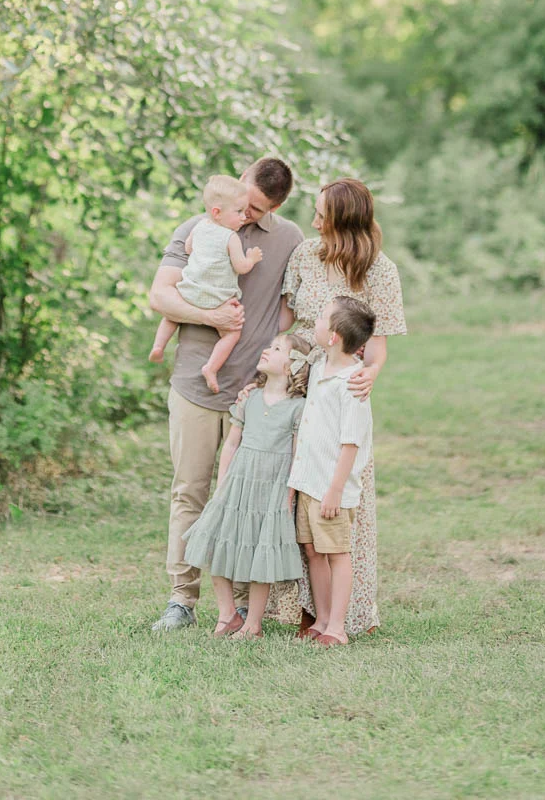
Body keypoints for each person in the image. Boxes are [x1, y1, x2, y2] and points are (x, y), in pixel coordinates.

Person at [148, 156, 303, 633]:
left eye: (261, 210)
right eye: (247, 203)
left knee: (245, 497)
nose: (250, 214)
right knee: (190, 491)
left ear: (275, 206)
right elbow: (161, 296)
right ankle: (181, 599)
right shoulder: (199, 225)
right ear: (239, 183)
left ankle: (237, 603)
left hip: (256, 395)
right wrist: (214, 319)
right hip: (196, 384)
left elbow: (289, 306)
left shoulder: (289, 239)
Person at [275, 177, 406, 636]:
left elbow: (378, 345)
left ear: (344, 221)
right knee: (299, 498)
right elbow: (286, 320)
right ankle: (303, 608)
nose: (313, 222)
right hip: (297, 379)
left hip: (341, 386)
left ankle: (343, 617)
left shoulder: (380, 270)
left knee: (337, 495)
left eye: (321, 214)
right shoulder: (307, 255)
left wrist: (371, 373)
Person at [182, 330, 314, 639]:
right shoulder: (250, 397)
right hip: (238, 482)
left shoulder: (297, 407)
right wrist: (222, 483)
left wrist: (290, 491)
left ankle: (253, 624)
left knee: (261, 554)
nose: (267, 349)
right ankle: (227, 613)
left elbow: (297, 453)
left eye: (277, 347)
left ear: (291, 366)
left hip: (272, 489)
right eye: (270, 344)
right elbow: (231, 445)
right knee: (216, 540)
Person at [288, 296, 376, 647]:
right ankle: (322, 618)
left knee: (337, 554)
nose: (317, 321)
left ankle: (337, 628)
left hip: (330, 487)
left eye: (322, 317)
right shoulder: (320, 366)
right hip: (308, 481)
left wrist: (336, 490)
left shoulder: (352, 383)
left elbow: (351, 442)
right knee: (312, 552)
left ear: (334, 335)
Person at [148, 175, 263, 393]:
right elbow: (240, 267)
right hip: (218, 300)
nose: (244, 216)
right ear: (217, 212)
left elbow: (189, 248)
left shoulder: (199, 226)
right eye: (238, 212)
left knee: (172, 315)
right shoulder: (231, 238)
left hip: (191, 292)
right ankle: (211, 368)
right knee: (232, 334)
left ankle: (158, 345)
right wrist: (252, 258)